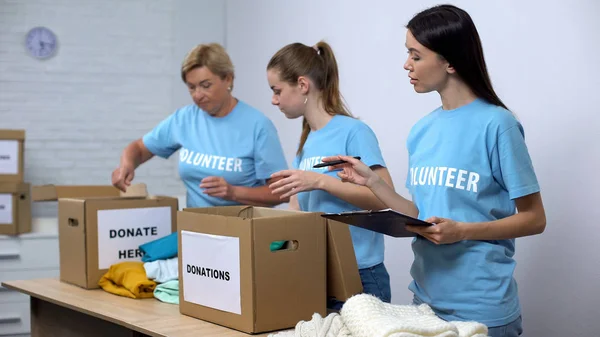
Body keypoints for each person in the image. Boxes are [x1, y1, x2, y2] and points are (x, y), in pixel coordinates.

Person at [322, 5, 546, 336]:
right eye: (407, 54)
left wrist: (463, 231)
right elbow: (422, 214)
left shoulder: (498, 125)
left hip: (484, 309)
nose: (406, 64)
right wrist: (372, 183)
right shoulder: (421, 130)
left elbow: (534, 219)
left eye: (416, 55)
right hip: (425, 304)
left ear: (450, 62)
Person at [266, 41, 395, 309]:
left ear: (302, 85)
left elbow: (386, 198)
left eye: (277, 90)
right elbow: (296, 211)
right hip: (320, 271)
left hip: (361, 275)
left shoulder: (354, 132)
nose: (273, 100)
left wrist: (321, 181)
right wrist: (267, 248)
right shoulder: (307, 142)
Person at [112, 43, 288, 209]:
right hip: (195, 227)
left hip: (241, 229)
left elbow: (282, 193)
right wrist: (127, 165)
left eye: (205, 86)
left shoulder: (258, 126)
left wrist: (234, 192)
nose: (197, 95)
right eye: (191, 87)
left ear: (228, 79)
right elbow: (139, 148)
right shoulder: (184, 119)